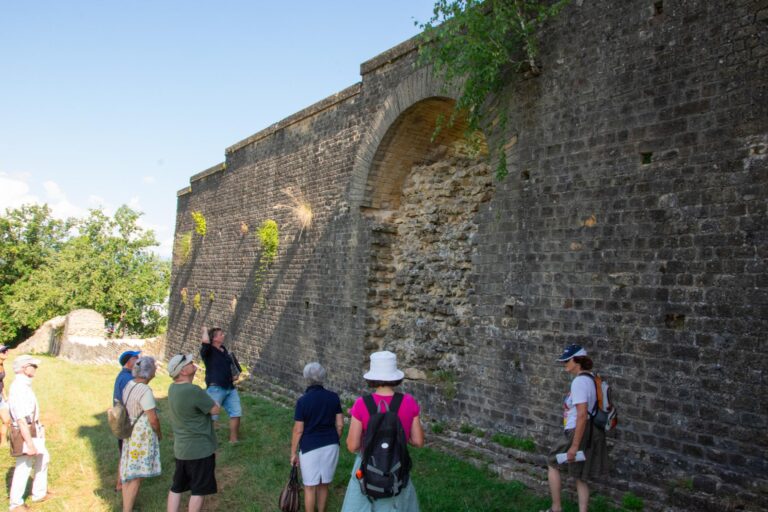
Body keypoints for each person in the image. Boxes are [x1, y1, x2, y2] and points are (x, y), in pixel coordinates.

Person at [341, 351, 425, 512]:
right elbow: (418, 441)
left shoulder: (361, 404)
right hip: (397, 465)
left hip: (367, 465)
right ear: (395, 376)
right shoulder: (409, 402)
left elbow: (352, 446)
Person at [542, 344, 609, 512]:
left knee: (552, 462)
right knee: (580, 476)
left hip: (577, 430)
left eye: (567, 360)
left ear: (577, 361)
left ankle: (556, 508)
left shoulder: (579, 382)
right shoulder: (592, 379)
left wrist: (573, 446)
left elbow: (581, 415)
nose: (564, 364)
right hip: (591, 431)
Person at [166, 353, 220, 512]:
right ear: (183, 371)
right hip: (199, 449)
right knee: (199, 490)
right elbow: (215, 409)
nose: (193, 363)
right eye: (189, 362)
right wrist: (214, 400)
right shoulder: (193, 390)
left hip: (181, 449)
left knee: (177, 486)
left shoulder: (172, 388)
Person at [290, 362, 344, 512]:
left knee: (309, 487)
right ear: (323, 378)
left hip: (309, 448)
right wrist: (334, 439)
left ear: (306, 378)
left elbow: (298, 430)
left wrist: (293, 453)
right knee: (324, 484)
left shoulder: (302, 401)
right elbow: (340, 425)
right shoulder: (334, 397)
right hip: (331, 445)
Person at [8, 355, 52, 511]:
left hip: (32, 428)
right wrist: (30, 443)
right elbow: (20, 419)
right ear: (24, 368)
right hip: (24, 430)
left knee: (44, 457)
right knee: (24, 467)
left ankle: (39, 493)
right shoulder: (18, 387)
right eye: (33, 365)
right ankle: (16, 504)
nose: (35, 368)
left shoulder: (24, 385)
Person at [120, 356, 162, 512]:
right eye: (154, 368)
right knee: (136, 475)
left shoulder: (129, 385)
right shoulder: (145, 391)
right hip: (140, 435)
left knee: (128, 473)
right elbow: (153, 419)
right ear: (149, 372)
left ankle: (127, 507)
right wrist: (159, 433)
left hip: (129, 431)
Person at [200, 326, 242, 442]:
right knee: (212, 416)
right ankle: (208, 441)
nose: (223, 335)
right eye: (220, 334)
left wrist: (233, 376)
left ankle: (234, 440)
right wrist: (205, 331)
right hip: (215, 388)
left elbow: (226, 367)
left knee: (236, 412)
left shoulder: (224, 349)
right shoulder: (208, 352)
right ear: (214, 339)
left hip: (230, 387)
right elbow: (205, 343)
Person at [113, 350, 140, 491]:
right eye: (137, 358)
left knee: (125, 453)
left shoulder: (125, 376)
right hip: (126, 421)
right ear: (130, 362)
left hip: (123, 420)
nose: (139, 361)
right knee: (126, 454)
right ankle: (122, 484)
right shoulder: (127, 379)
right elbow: (130, 401)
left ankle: (120, 484)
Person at [0, 345, 11, 446]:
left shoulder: (2, 364)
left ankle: (2, 443)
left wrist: (5, 396)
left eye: (6, 350)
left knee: (6, 420)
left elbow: (1, 381)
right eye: (3, 351)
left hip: (0, 398)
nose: (6, 352)